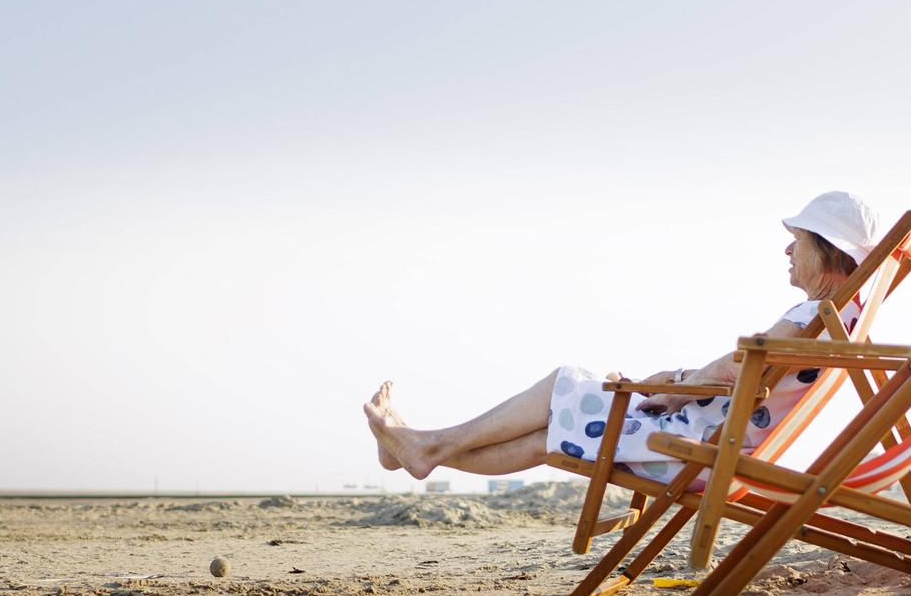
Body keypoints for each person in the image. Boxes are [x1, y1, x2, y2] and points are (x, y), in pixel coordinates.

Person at [365, 191, 880, 482]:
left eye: (797, 242)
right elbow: (750, 373)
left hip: (694, 448)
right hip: (713, 441)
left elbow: (738, 369)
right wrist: (670, 385)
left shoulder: (813, 314)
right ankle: (419, 447)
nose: (787, 253)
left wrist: (666, 386)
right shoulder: (841, 320)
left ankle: (422, 447)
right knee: (550, 435)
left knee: (564, 384)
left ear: (829, 251)